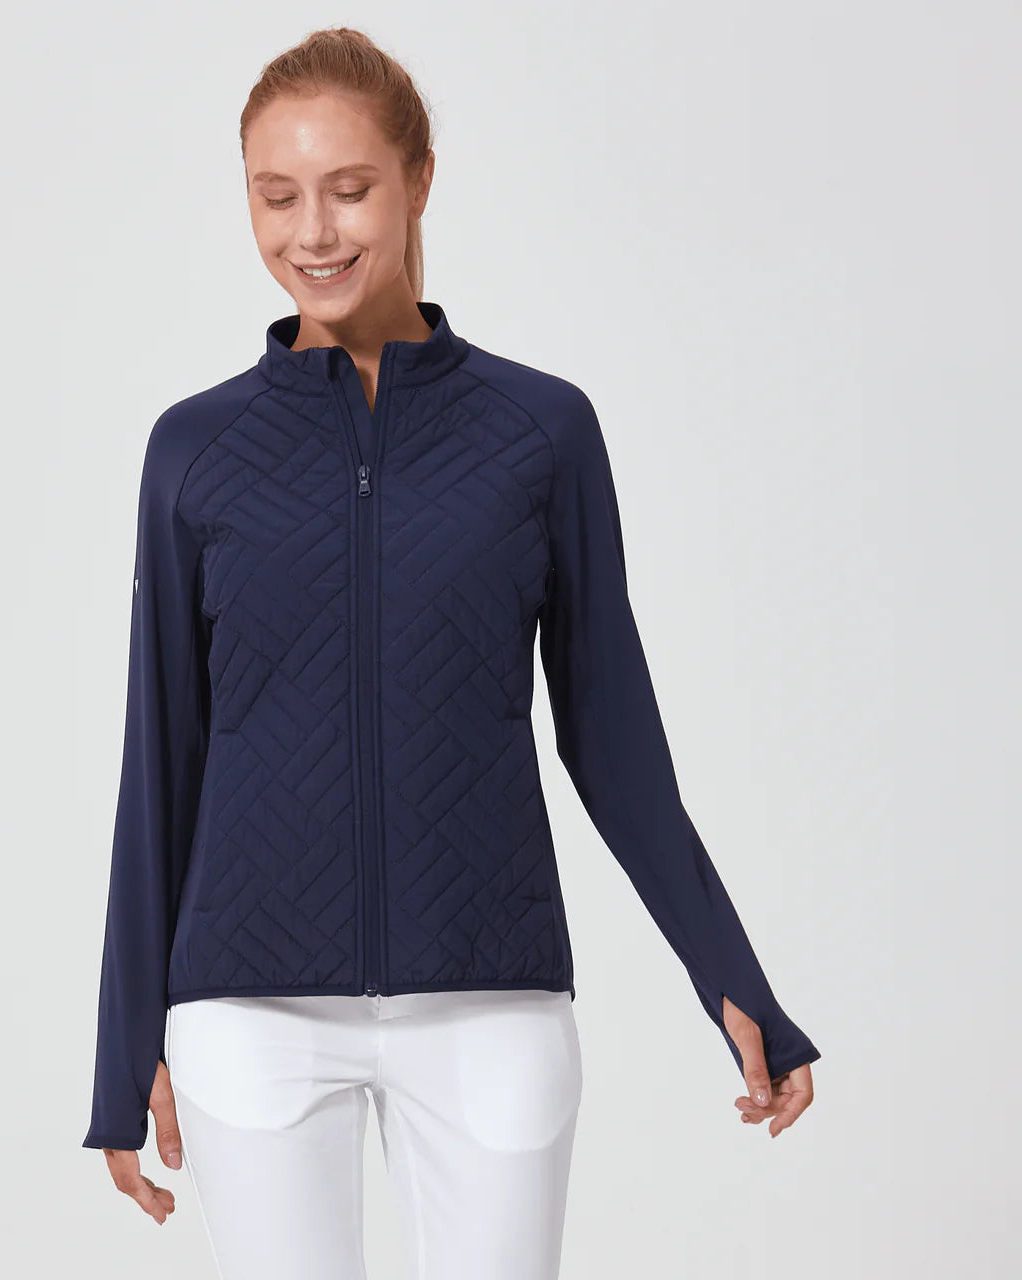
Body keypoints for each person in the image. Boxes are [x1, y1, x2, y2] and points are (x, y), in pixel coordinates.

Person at [81, 25, 820, 1280]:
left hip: (491, 999)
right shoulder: (193, 452)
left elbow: (610, 729)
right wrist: (122, 1048)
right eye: (275, 196)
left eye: (348, 189)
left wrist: (725, 968)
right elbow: (162, 754)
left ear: (419, 178)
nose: (312, 232)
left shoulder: (539, 432)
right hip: (248, 1013)